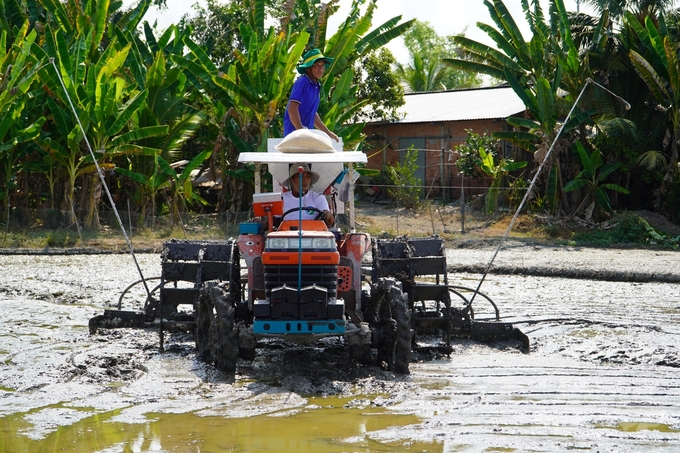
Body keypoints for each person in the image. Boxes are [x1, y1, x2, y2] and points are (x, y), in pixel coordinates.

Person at [283, 48, 339, 142]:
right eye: (315, 66)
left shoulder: (316, 86)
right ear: (308, 68)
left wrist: (328, 133)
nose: (320, 69)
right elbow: (292, 108)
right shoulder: (302, 82)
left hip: (305, 135)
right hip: (294, 136)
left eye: (322, 65)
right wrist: (301, 131)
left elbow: (312, 114)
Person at [276, 163, 334, 227]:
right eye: (300, 176)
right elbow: (274, 222)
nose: (305, 180)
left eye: (308, 176)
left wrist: (327, 215)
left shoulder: (318, 198)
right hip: (288, 235)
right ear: (291, 180)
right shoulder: (282, 199)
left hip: (313, 235)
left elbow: (328, 219)